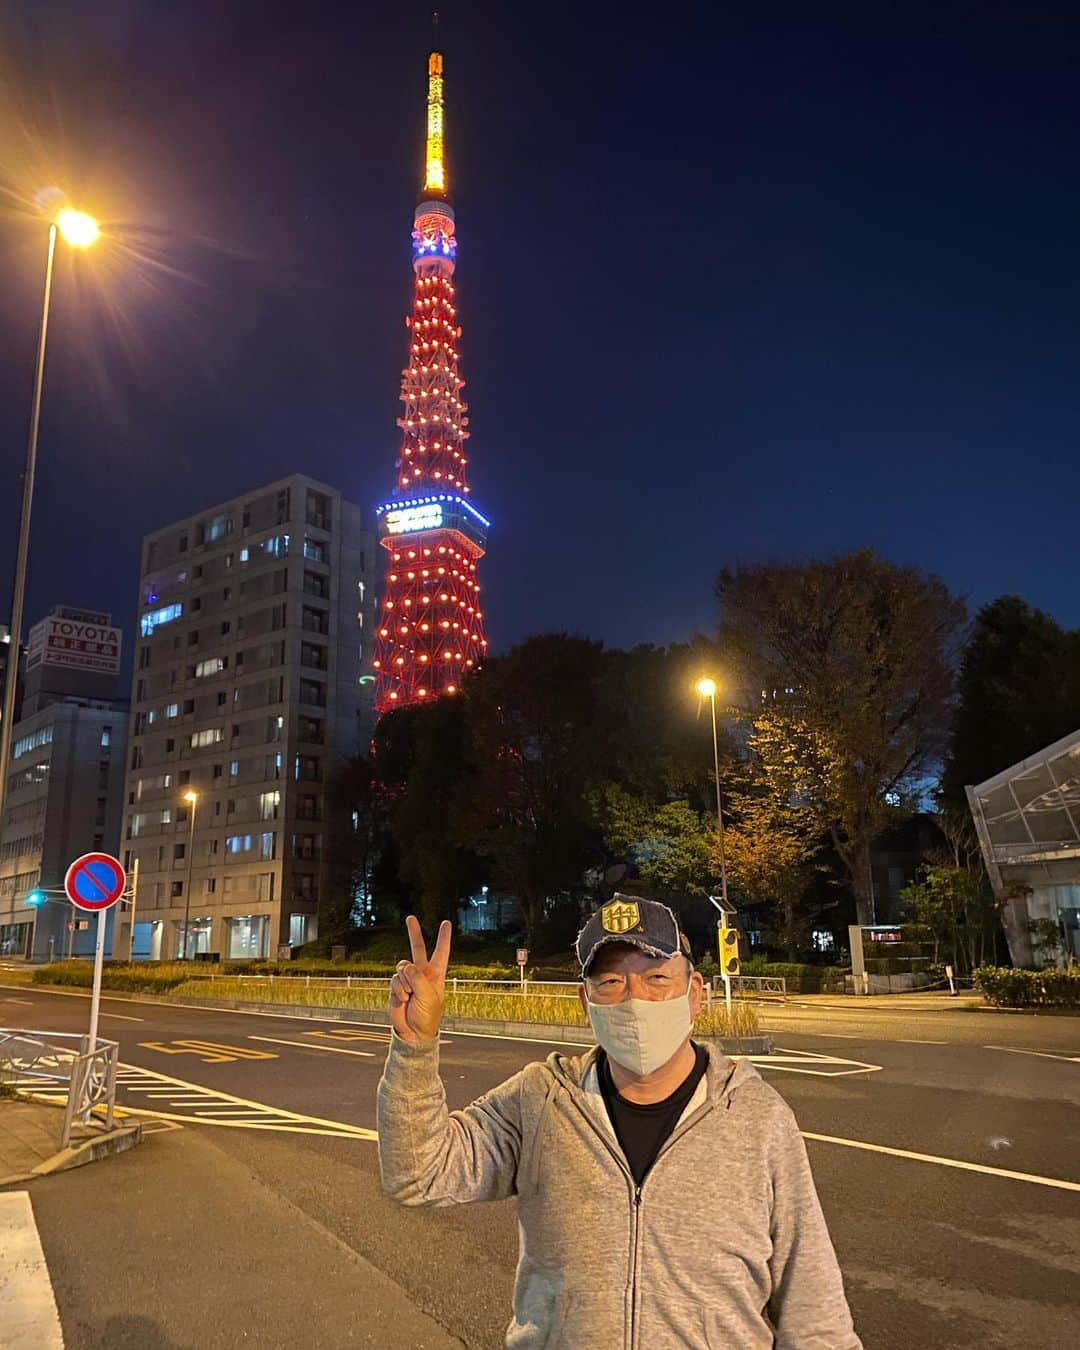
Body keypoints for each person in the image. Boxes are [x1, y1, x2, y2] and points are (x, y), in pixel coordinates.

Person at [378, 895, 862, 1349]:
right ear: (586, 1001)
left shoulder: (758, 1118)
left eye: (656, 978)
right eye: (610, 982)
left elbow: (815, 1309)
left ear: (694, 993)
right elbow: (419, 1173)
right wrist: (416, 1046)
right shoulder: (540, 1099)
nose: (634, 999)